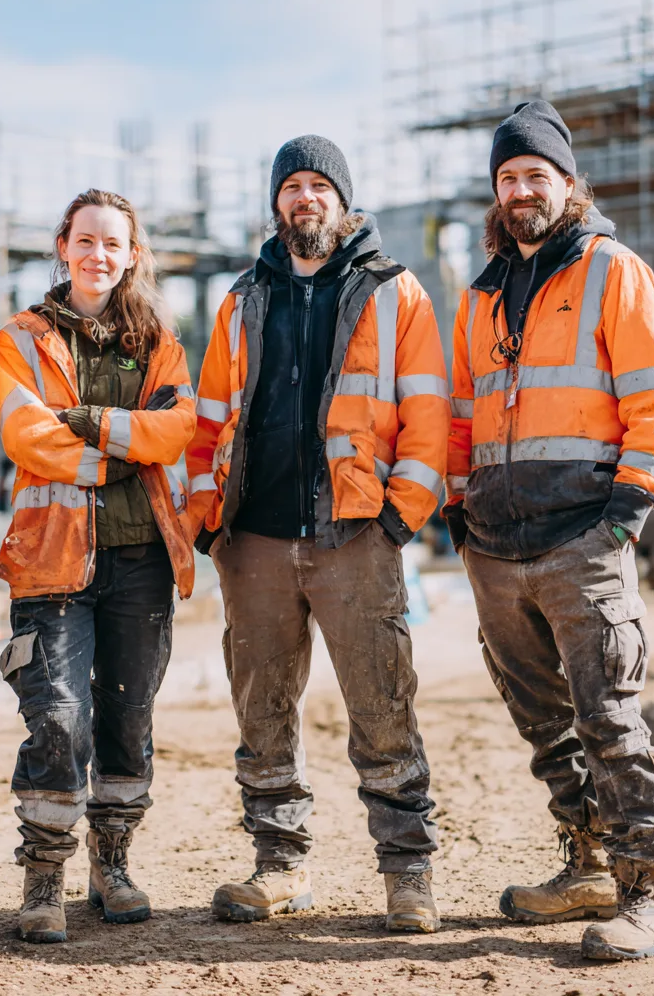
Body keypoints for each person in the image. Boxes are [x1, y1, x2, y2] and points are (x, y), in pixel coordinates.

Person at [444, 100, 654, 961]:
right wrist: (455, 507)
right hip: (496, 545)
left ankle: (652, 892)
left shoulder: (611, 271)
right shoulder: (480, 295)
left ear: (567, 183)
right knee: (543, 721)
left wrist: (623, 519)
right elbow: (464, 414)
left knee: (609, 719)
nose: (520, 191)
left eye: (535, 175)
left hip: (583, 537)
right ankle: (586, 860)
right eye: (507, 178)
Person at [186, 136, 450, 932]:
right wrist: (210, 523)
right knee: (261, 710)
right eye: (292, 186)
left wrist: (399, 516)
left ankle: (408, 875)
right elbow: (208, 420)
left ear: (343, 200)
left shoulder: (395, 292)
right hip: (254, 540)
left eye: (319, 186)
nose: (306, 198)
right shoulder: (242, 298)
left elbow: (429, 414)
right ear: (277, 204)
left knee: (382, 706)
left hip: (355, 535)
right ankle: (279, 866)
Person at [0, 189, 196, 943]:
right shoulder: (21, 337)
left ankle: (112, 862)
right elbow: (26, 435)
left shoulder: (159, 342)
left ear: (132, 254)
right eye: (86, 240)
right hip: (51, 559)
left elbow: (177, 431)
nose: (98, 254)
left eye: (114, 243)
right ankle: (43, 876)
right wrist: (121, 451)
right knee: (56, 719)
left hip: (140, 559)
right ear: (63, 244)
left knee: (127, 718)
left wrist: (93, 423)